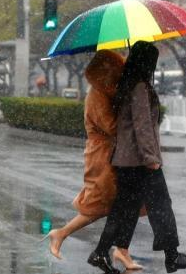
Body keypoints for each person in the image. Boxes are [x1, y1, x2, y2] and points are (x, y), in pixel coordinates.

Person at [87, 41, 186, 274]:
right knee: (160, 205)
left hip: (127, 161)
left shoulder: (128, 84)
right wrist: (151, 158)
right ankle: (172, 256)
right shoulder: (139, 86)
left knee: (124, 210)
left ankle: (100, 252)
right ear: (147, 63)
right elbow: (142, 127)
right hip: (140, 161)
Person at [42, 50, 143, 270]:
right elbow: (112, 126)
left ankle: (122, 251)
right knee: (101, 204)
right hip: (103, 156)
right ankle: (61, 233)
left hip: (117, 153)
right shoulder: (97, 95)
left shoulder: (108, 92)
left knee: (128, 202)